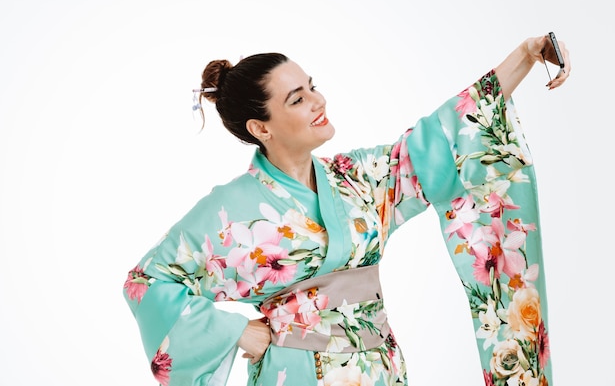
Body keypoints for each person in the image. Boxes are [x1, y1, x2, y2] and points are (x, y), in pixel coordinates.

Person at [123, 34, 570, 386]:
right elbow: (146, 281)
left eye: (311, 87)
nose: (318, 101)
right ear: (262, 128)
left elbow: (444, 139)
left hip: (381, 370)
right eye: (296, 99)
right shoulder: (228, 209)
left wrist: (526, 56)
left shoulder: (358, 175)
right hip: (294, 373)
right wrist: (235, 333)